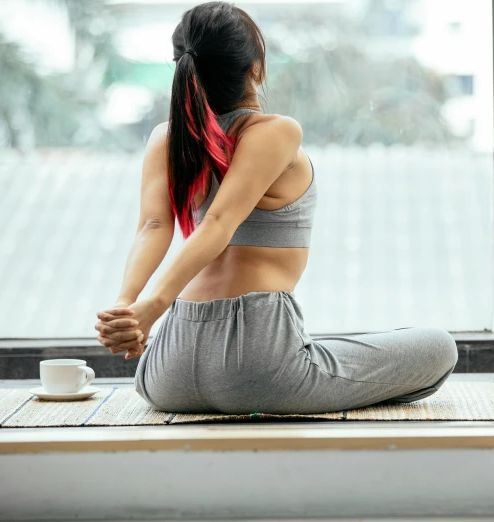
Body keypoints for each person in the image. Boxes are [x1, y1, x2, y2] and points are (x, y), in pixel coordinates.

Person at [94, 1, 457, 414]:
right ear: (256, 68)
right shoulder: (275, 132)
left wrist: (126, 310)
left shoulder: (167, 137)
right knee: (438, 346)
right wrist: (149, 309)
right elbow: (218, 222)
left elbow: (153, 226)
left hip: (165, 374)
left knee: (326, 349)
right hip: (258, 368)